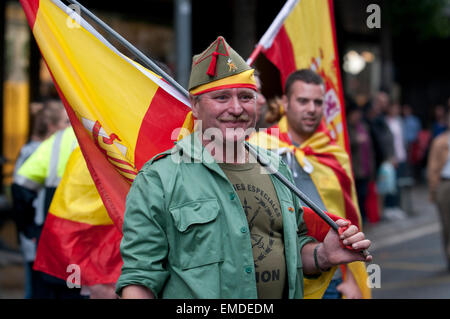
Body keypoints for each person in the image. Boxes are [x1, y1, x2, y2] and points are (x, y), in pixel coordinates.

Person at [115, 36, 372, 299]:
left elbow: (295, 252)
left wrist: (323, 255)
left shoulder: (275, 167)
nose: (236, 108)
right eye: (222, 97)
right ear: (195, 106)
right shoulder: (158, 178)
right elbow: (140, 279)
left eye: (246, 97)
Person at [250, 69, 370, 299]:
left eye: (317, 102)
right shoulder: (257, 147)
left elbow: (348, 221)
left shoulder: (334, 154)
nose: (311, 109)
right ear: (285, 102)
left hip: (329, 278)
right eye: (303, 101)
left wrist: (351, 278)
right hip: (276, 278)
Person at [12, 122, 79, 298]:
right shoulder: (111, 131)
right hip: (97, 243)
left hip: (56, 237)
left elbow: (20, 185)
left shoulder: (59, 139)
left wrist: (28, 228)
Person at [427, 109, 450, 270]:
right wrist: (434, 190)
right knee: (447, 224)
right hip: (445, 184)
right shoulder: (440, 141)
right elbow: (433, 168)